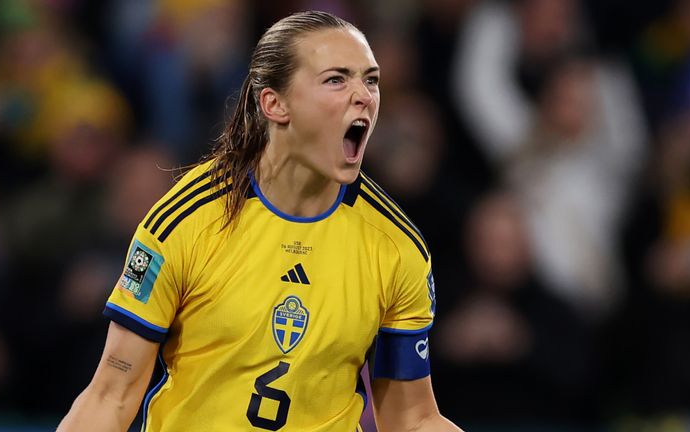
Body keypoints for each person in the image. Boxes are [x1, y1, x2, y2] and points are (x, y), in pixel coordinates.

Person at [58, 10, 463, 432]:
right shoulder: (187, 221)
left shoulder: (396, 247)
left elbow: (413, 418)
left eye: (371, 79)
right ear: (274, 103)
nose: (364, 95)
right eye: (336, 79)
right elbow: (112, 395)